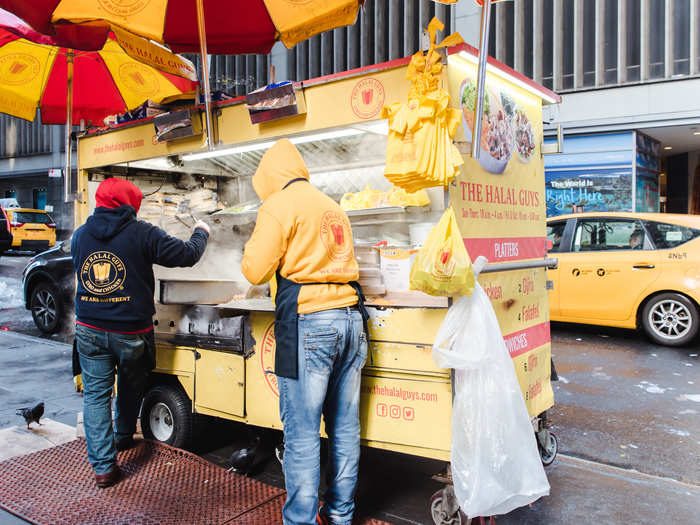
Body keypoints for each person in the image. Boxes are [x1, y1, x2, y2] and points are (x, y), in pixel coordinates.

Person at [242, 139, 368, 525]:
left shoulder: (277, 206)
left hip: (311, 324)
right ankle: (339, 515)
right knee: (345, 427)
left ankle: (299, 521)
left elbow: (254, 270)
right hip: (351, 320)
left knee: (301, 432)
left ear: (268, 178)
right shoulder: (331, 206)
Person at [72, 177, 209, 488]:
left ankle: (104, 467)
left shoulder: (80, 236)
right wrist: (202, 231)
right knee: (132, 385)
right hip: (130, 332)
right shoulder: (142, 233)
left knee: (95, 396)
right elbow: (187, 255)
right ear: (129, 205)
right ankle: (122, 437)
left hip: (90, 329)